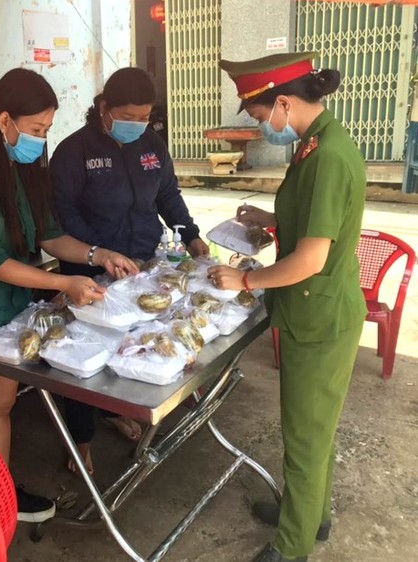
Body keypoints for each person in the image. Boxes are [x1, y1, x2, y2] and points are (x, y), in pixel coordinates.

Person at [0, 68, 139, 523]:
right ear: (5, 120)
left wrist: (100, 255)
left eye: (46, 130)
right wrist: (64, 284)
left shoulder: (23, 172)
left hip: (7, 313)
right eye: (36, 129)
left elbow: (51, 236)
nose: (41, 140)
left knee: (2, 409)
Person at [208, 53, 367, 562]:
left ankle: (293, 545)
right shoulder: (316, 144)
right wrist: (268, 217)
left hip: (319, 317)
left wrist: (245, 278)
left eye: (260, 118)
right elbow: (314, 219)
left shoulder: (327, 156)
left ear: (282, 101)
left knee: (305, 437)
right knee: (311, 428)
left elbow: (311, 259)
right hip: (311, 312)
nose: (262, 128)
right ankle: (310, 514)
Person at [49, 67, 209, 474]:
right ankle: (81, 439)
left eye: (144, 116)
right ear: (104, 108)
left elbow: (168, 194)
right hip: (92, 270)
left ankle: (121, 411)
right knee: (85, 355)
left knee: (136, 341)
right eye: (129, 116)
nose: (138, 125)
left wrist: (190, 235)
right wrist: (101, 254)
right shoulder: (74, 151)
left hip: (143, 264)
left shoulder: (151, 144)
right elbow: (62, 216)